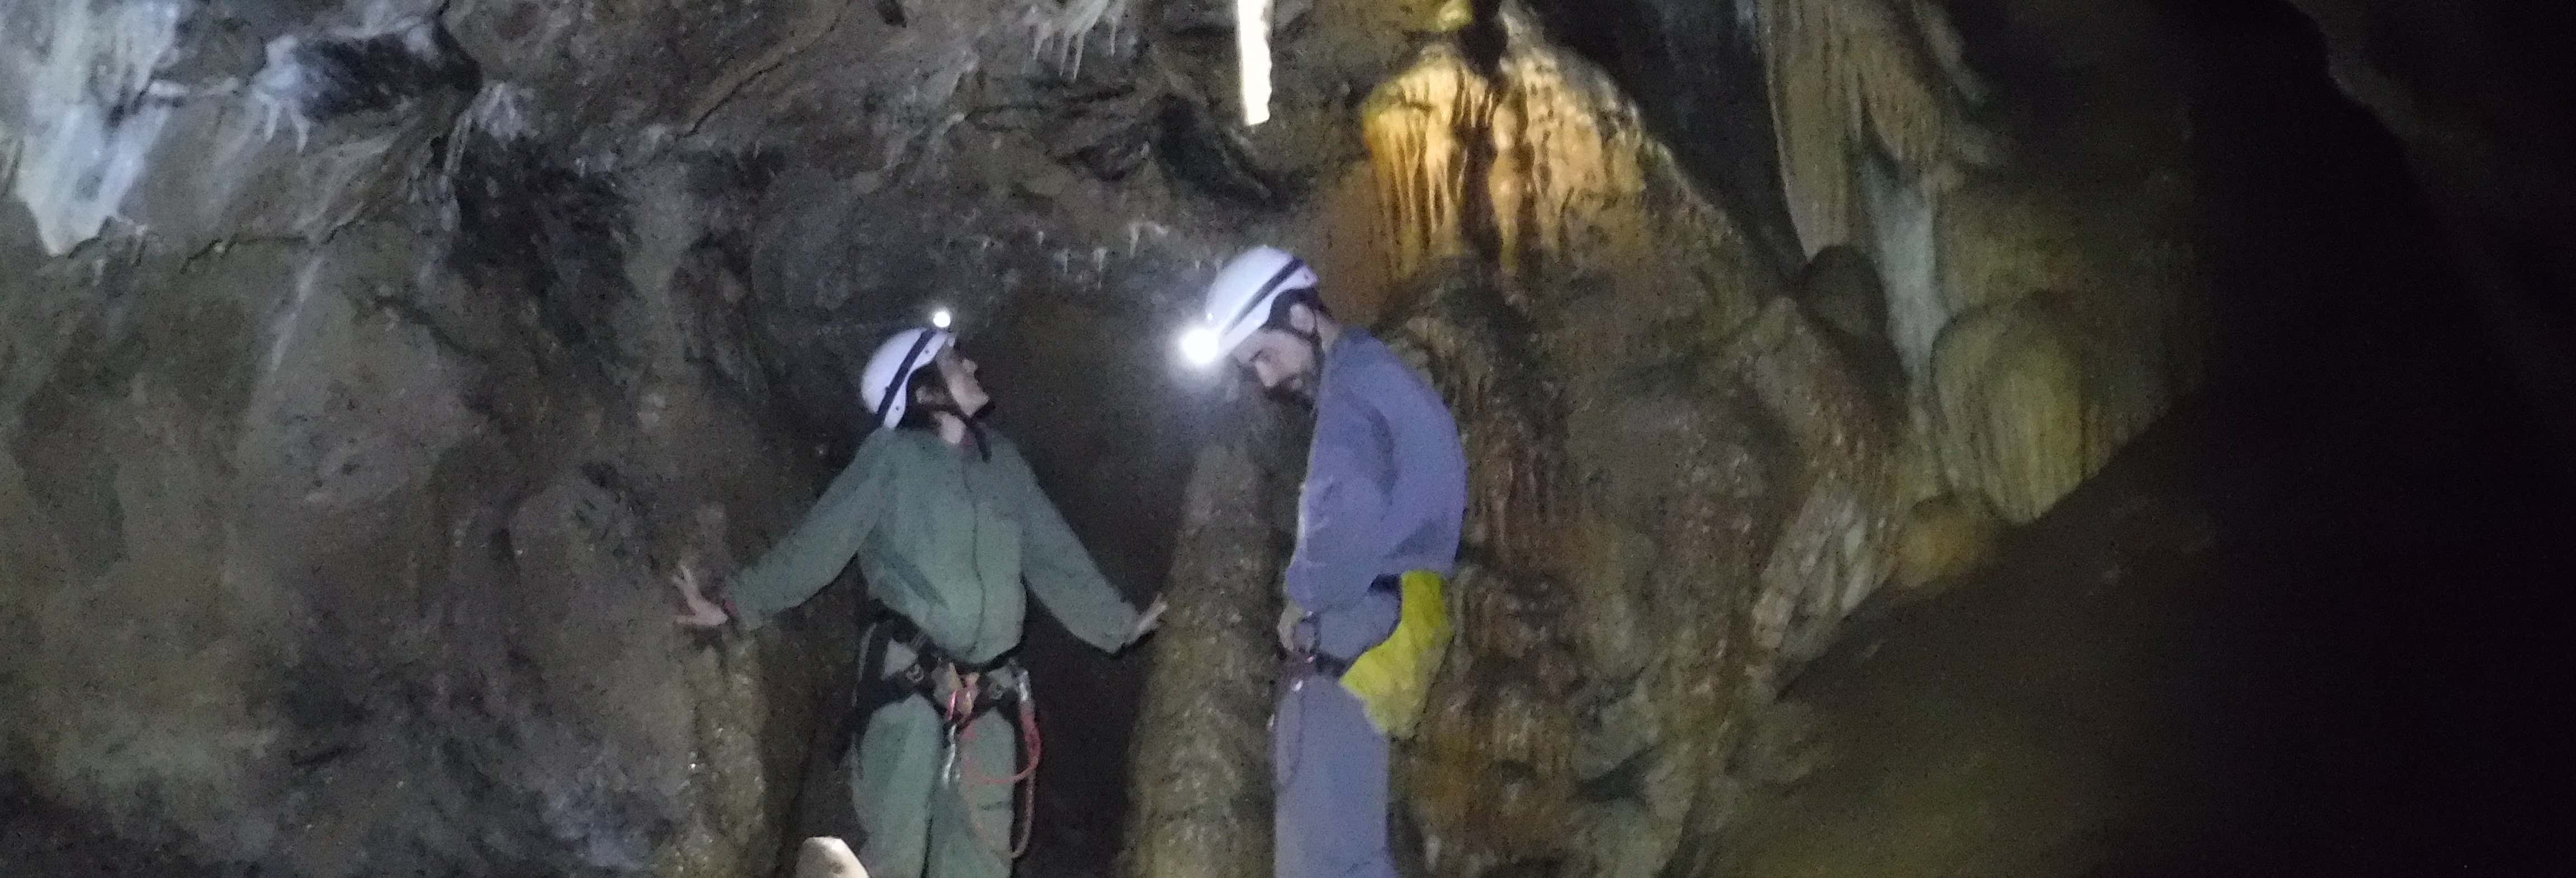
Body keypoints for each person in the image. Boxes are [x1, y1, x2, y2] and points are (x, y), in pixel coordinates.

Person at [674, 325, 1166, 878]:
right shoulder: (891, 458)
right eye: (958, 362)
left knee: (982, 861)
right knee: (898, 852)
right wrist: (736, 603)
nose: (974, 367)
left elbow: (1054, 554)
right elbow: (822, 541)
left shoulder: (1001, 462)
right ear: (926, 391)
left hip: (993, 691)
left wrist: (1122, 623)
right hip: (908, 675)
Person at [1190, 246, 1468, 878]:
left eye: (1264, 354)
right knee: (1354, 853)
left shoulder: (1353, 391)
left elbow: (1344, 515)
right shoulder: (1380, 374)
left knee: (1326, 861)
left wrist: (1298, 596)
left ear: (1300, 316)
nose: (1265, 379)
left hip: (1353, 625)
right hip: (1401, 612)